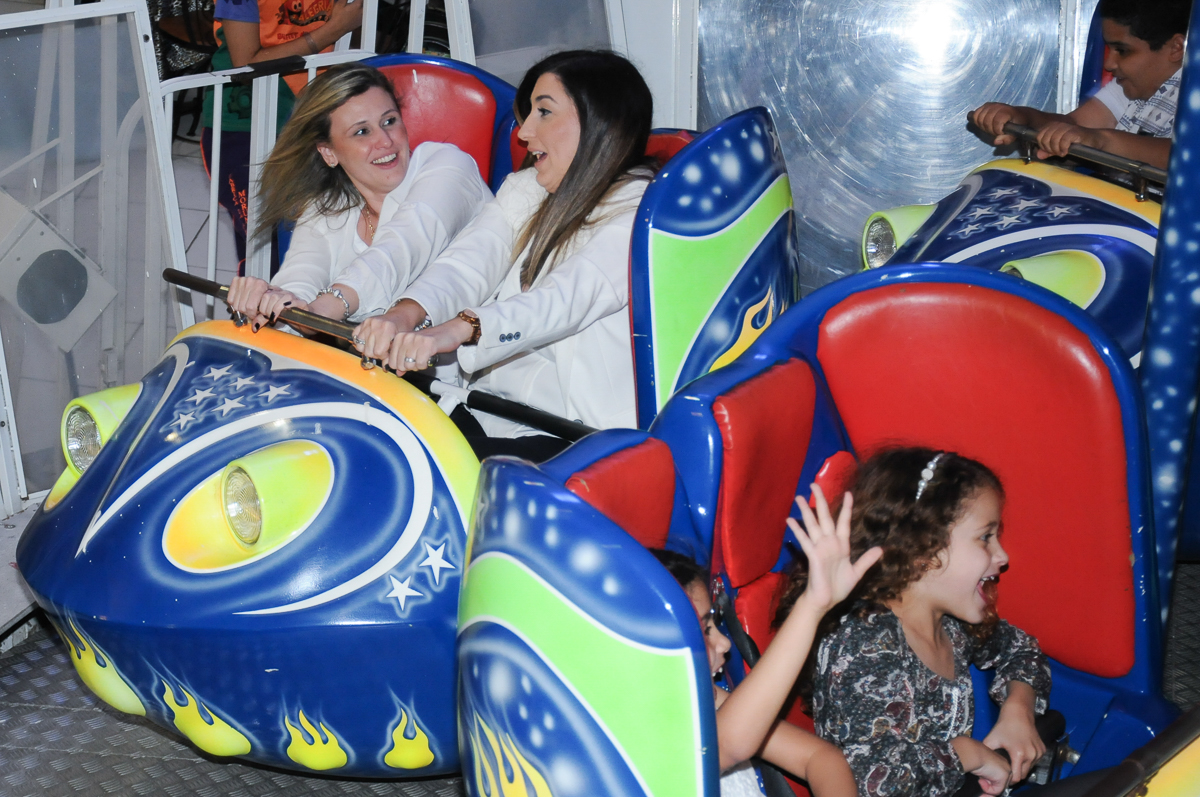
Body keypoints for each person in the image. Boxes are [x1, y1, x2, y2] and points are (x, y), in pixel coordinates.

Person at [351, 50, 655, 460]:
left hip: (575, 436)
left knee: (414, 467)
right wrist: (403, 316)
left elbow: (561, 301)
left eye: (543, 112)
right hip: (490, 410)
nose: (524, 132)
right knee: (369, 433)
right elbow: (468, 262)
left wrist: (461, 328)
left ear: (600, 121)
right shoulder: (528, 189)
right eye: (528, 113)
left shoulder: (638, 212)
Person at [788, 448, 1051, 797]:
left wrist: (1018, 709)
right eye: (985, 537)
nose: (1002, 557)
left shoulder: (954, 625)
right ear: (922, 549)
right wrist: (967, 753)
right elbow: (872, 781)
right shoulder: (865, 642)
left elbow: (1021, 650)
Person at [224, 63, 493, 329]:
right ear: (329, 152)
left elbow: (402, 246)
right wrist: (276, 302)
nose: (386, 141)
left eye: (389, 121)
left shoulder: (449, 165)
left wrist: (325, 307)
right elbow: (300, 278)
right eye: (362, 132)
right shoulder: (326, 208)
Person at [652, 486, 875, 797]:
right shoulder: (637, 734)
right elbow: (728, 744)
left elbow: (820, 757)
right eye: (703, 631)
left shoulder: (709, 699)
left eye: (715, 623)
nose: (725, 643)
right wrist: (812, 606)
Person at [201, 0, 364, 273]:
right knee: (264, 244)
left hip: (312, 118)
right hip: (242, 127)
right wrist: (332, 31)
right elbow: (246, 65)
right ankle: (261, 311)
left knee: (316, 233)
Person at [969, 0, 1190, 170]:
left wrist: (1101, 141)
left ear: (1175, 48)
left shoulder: (1191, 92)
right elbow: (1074, 124)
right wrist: (1021, 117)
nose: (1109, 63)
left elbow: (1187, 157)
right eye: (1109, 49)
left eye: (1122, 51)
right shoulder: (1130, 88)